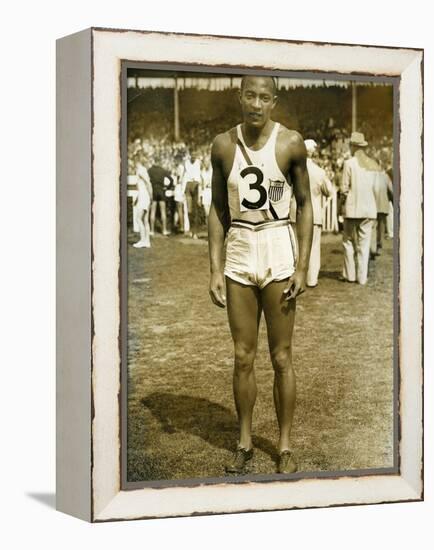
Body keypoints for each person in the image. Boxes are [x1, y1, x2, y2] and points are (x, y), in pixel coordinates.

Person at [208, 75, 313, 475]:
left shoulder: (290, 143)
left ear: (274, 100)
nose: (256, 103)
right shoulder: (222, 144)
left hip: (276, 245)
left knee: (282, 356)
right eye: (249, 95)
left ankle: (284, 446)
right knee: (242, 357)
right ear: (240, 97)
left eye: (264, 97)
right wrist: (215, 268)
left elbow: (304, 204)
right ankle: (245, 443)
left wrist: (302, 266)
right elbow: (218, 209)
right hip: (239, 248)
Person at [340, 132, 378, 285]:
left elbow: (344, 188)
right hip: (369, 208)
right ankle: (362, 277)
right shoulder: (372, 164)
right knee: (364, 243)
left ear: (354, 147)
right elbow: (376, 188)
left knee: (348, 242)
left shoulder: (349, 163)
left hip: (352, 208)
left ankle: (350, 275)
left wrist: (342, 203)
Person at [304, 139, 334, 287]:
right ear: (313, 153)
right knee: (314, 247)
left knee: (295, 246)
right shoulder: (319, 172)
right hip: (314, 213)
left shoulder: (293, 170)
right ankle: (311, 279)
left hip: (295, 212)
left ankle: (295, 277)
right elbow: (329, 191)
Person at [148, 158, 173, 236]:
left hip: (153, 191)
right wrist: (167, 187)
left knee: (153, 211)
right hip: (161, 191)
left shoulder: (150, 170)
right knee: (163, 211)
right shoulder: (162, 170)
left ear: (154, 161)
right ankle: (164, 230)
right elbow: (171, 180)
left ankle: (151, 230)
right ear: (159, 162)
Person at [132, 153, 153, 248]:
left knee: (138, 218)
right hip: (143, 196)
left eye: (134, 162)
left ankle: (143, 240)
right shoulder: (141, 170)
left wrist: (151, 196)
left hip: (144, 197)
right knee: (145, 219)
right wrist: (137, 198)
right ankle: (147, 241)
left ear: (137, 161)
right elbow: (142, 186)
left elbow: (148, 184)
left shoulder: (141, 170)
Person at [183, 151, 202, 239]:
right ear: (190, 155)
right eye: (192, 155)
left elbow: (200, 176)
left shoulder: (198, 163)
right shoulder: (186, 163)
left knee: (195, 210)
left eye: (195, 155)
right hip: (188, 185)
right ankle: (190, 230)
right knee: (189, 210)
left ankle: (195, 232)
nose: (193, 156)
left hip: (196, 185)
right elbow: (184, 175)